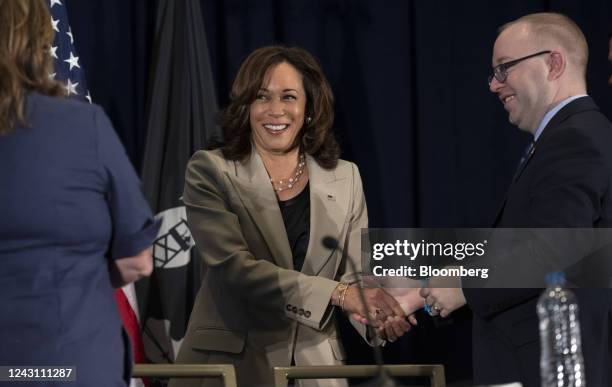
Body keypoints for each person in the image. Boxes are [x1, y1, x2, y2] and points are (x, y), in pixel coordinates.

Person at [171, 45, 414, 387]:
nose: (275, 111)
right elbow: (234, 271)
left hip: (316, 369)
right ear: (246, 106)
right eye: (261, 97)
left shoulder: (347, 177)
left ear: (309, 108)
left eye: (288, 97)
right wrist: (340, 295)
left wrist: (377, 314)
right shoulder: (211, 170)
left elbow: (355, 275)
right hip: (232, 366)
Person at [421, 13, 612, 386]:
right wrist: (424, 291)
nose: (495, 85)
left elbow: (553, 247)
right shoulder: (570, 136)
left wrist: (463, 286)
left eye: (504, 68)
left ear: (553, 63)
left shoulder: (577, 138)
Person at [0, 1, 159, 386]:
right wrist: (76, 271)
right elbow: (137, 262)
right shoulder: (85, 127)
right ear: (40, 41)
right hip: (77, 361)